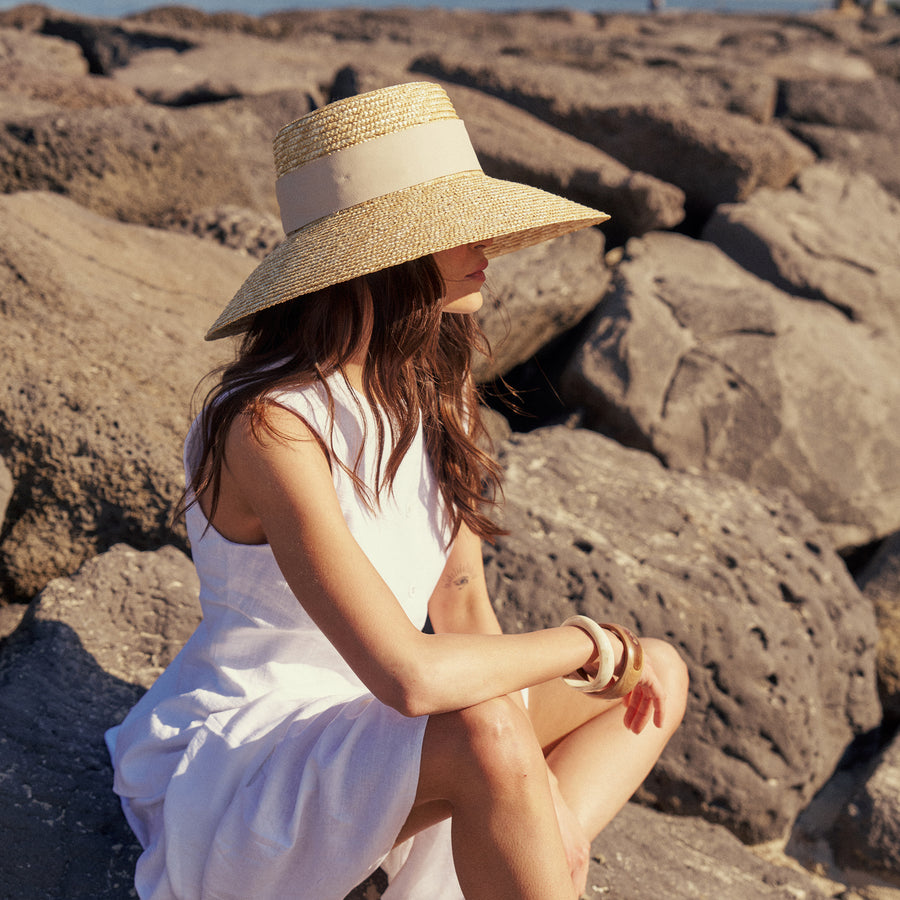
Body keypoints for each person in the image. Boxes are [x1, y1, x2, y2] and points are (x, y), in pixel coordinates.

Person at [106, 81, 688, 900]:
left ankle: (522, 847)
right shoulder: (272, 426)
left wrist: (559, 756)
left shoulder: (434, 392)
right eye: (457, 225)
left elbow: (462, 611)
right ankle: (510, 847)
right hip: (257, 757)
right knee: (495, 721)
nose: (487, 240)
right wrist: (590, 647)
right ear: (386, 256)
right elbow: (408, 676)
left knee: (657, 675)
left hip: (388, 732)